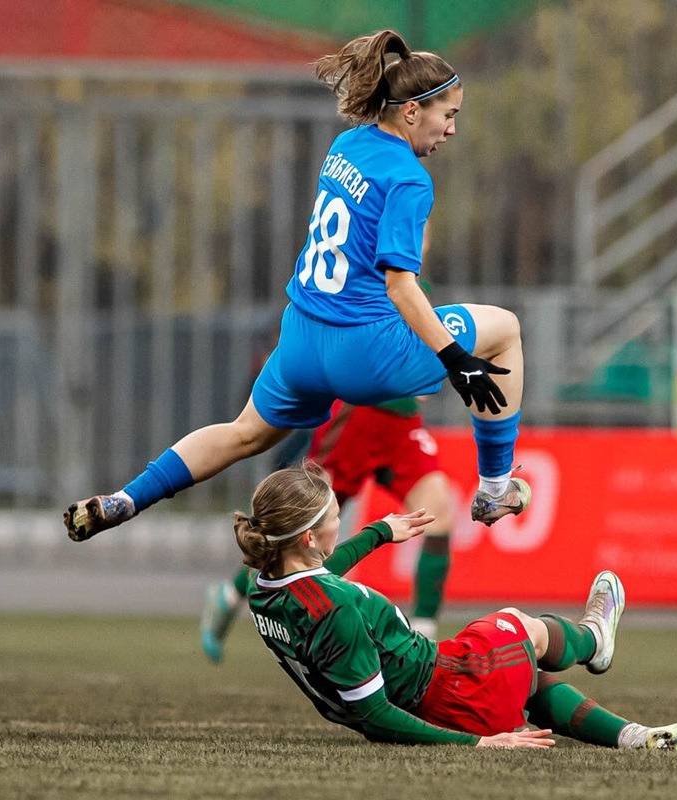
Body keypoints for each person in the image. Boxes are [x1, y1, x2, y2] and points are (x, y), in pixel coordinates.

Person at [64, 28, 529, 542]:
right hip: (365, 352)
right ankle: (494, 487)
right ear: (413, 112)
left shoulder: (347, 143)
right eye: (449, 114)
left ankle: (127, 498)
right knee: (504, 328)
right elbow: (400, 286)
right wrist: (454, 359)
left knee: (244, 433)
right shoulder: (410, 178)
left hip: (302, 340)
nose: (452, 130)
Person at [233, 462, 677, 750]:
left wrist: (380, 532)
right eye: (336, 517)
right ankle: (594, 640)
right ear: (307, 536)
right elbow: (372, 713)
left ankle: (641, 739)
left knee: (532, 684)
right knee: (518, 625)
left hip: (436, 690)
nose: (342, 522)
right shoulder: (336, 608)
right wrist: (476, 744)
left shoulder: (265, 585)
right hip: (449, 690)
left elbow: (321, 575)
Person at [200, 397, 453, 661]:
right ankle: (230, 595)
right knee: (302, 519)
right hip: (359, 409)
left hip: (402, 419)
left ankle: (423, 641)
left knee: (439, 515)